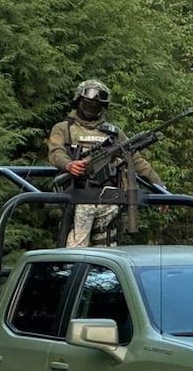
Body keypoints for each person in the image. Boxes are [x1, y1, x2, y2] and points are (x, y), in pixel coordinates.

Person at [47, 79, 163, 247]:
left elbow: (136, 160)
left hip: (109, 200)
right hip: (78, 198)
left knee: (106, 253)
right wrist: (69, 165)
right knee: (74, 251)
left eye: (97, 104)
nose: (92, 107)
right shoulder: (63, 128)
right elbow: (56, 151)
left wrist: (160, 188)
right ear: (78, 100)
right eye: (88, 102)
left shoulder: (113, 133)